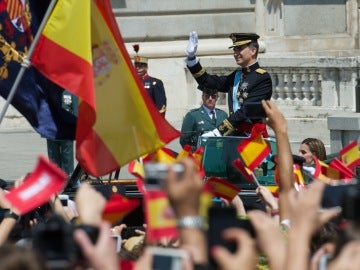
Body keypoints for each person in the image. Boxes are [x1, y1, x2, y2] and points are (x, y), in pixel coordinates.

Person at [185, 31, 272, 137]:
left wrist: (219, 131)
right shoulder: (237, 75)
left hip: (253, 138)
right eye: (234, 49)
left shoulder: (262, 78)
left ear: (253, 50)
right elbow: (209, 82)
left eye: (239, 49)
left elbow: (246, 111)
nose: (235, 53)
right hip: (235, 136)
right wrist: (192, 60)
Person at [180, 85, 228, 151]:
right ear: (202, 97)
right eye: (207, 96)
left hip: (220, 154)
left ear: (217, 98)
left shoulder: (223, 115)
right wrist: (194, 154)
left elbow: (228, 137)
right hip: (200, 155)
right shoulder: (192, 115)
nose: (210, 99)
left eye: (213, 96)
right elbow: (184, 140)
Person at [46, 90, 78, 176]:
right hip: (52, 130)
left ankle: (68, 177)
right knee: (53, 157)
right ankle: (54, 178)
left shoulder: (70, 92)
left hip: (66, 130)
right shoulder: (49, 90)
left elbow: (75, 111)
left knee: (67, 157)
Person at [133, 44, 167, 117]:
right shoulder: (132, 82)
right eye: (136, 66)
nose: (138, 68)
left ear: (146, 67)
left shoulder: (155, 83)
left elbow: (161, 106)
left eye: (141, 66)